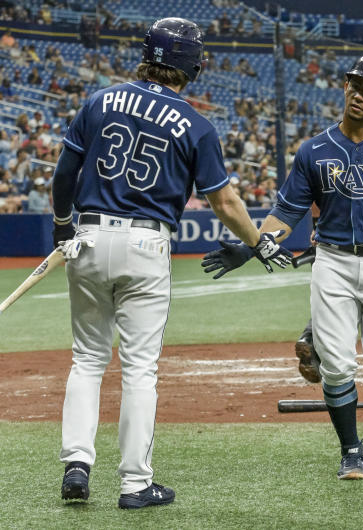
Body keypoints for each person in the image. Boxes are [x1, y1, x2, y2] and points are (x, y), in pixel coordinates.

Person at [51, 18, 291, 510]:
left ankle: (77, 464)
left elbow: (65, 171)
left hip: (90, 236)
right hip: (146, 245)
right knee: (139, 369)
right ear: (193, 67)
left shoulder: (99, 100)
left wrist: (60, 226)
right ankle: (135, 484)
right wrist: (260, 243)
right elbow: (224, 203)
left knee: (87, 359)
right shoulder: (197, 124)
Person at [202, 55, 363, 479]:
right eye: (353, 85)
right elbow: (288, 209)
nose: (357, 95)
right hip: (332, 260)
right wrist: (256, 245)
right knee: (335, 364)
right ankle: (351, 449)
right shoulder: (315, 149)